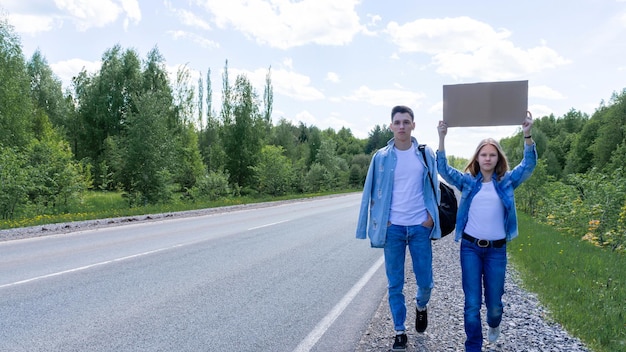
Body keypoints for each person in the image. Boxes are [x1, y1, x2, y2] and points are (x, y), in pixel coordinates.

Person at [436, 112, 537, 352]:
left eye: (492, 154)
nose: (488, 158)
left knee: (494, 306)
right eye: (484, 154)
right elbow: (443, 169)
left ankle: (494, 324)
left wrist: (527, 134)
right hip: (470, 248)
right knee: (472, 303)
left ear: (498, 158)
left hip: (496, 251)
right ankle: (473, 346)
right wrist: (441, 138)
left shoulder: (507, 181)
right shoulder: (468, 182)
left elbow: (529, 165)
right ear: (477, 158)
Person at [356, 105, 442, 352]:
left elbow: (436, 186)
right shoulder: (381, 157)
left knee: (425, 282)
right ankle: (400, 331)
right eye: (397, 122)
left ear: (413, 125)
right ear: (391, 126)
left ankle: (421, 306)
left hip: (419, 227)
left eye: (406, 122)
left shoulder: (424, 155)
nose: (402, 126)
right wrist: (376, 223)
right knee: (395, 283)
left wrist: (429, 217)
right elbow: (369, 192)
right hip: (393, 228)